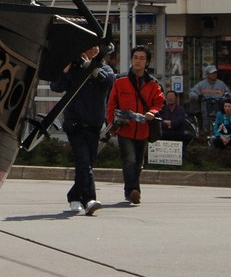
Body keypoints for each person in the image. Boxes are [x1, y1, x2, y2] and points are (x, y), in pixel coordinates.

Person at [50, 45, 115, 216]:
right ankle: (89, 200)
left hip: (93, 125)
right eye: (88, 47)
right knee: (84, 163)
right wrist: (66, 69)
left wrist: (90, 68)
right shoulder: (74, 68)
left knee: (87, 164)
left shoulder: (105, 68)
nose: (92, 51)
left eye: (95, 48)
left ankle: (74, 196)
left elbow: (108, 81)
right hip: (75, 125)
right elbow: (56, 86)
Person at [105, 45, 164, 205]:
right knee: (129, 159)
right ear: (131, 60)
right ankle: (133, 190)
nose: (138, 61)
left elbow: (159, 101)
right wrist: (111, 125)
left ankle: (129, 191)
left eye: (142, 58)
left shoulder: (153, 83)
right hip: (125, 128)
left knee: (138, 163)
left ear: (147, 62)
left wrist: (152, 111)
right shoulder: (120, 80)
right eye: (135, 58)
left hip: (143, 130)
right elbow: (111, 104)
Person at [189, 65, 231, 134]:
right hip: (206, 106)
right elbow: (191, 92)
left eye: (215, 73)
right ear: (207, 74)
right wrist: (196, 96)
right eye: (212, 73)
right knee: (206, 121)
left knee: (220, 121)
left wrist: (225, 99)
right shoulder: (202, 84)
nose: (214, 75)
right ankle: (206, 134)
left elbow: (228, 94)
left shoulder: (221, 84)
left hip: (218, 105)